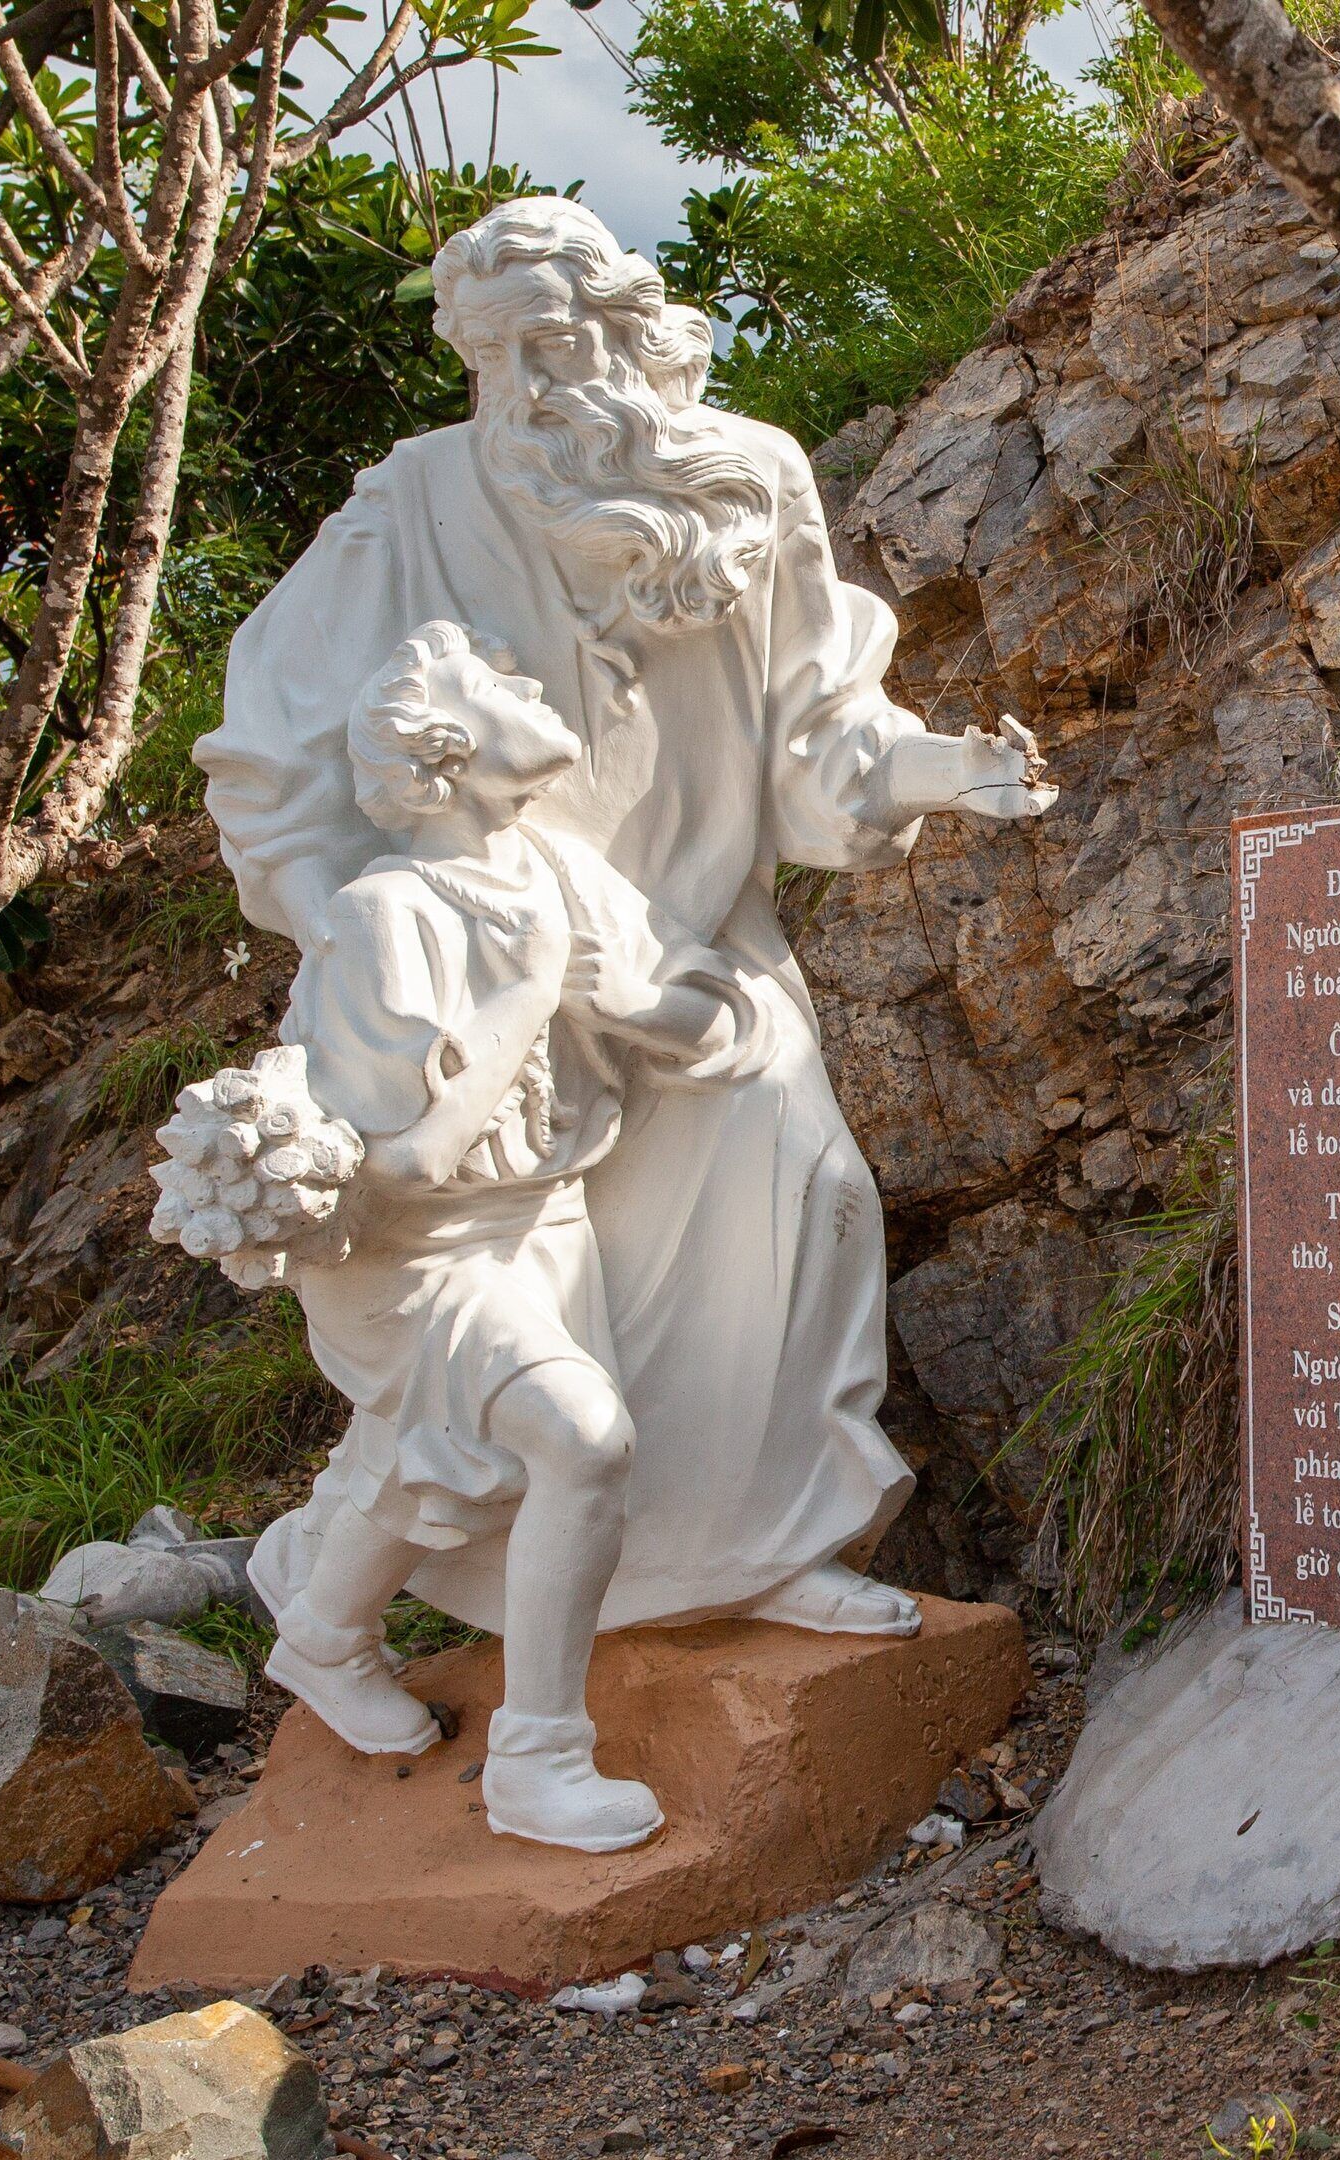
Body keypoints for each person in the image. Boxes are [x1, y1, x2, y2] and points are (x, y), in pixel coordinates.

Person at [200, 197, 1053, 1664]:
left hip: (702, 954)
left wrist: (939, 771)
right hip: (494, 992)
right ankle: (518, 1613)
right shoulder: (407, 508)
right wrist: (399, 939)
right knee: (517, 1316)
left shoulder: (752, 483)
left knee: (806, 1203)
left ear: (632, 335)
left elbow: (817, 725)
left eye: (551, 345)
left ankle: (759, 1552)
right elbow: (271, 749)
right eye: (491, 360)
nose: (527, 392)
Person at [268, 620, 769, 1852]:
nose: (529, 680)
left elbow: (711, 1024)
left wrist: (634, 1001)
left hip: (547, 1221)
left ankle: (322, 1633)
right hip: (424, 1251)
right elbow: (407, 1162)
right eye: (494, 681)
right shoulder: (382, 917)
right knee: (582, 1445)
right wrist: (526, 996)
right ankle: (539, 1759)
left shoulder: (546, 870)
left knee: (443, 1449)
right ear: (444, 749)